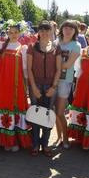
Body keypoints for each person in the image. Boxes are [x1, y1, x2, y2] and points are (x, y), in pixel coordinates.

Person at [0, 20, 32, 151]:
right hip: (3, 84)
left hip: (17, 85)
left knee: (16, 107)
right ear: (7, 33)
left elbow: (26, 69)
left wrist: (26, 86)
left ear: (20, 33)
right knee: (4, 107)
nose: (13, 34)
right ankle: (6, 140)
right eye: (11, 32)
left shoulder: (23, 48)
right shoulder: (0, 46)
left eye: (16, 32)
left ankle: (15, 140)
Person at [27, 20, 61, 157]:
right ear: (38, 32)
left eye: (47, 30)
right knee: (35, 115)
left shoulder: (56, 47)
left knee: (48, 115)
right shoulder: (32, 47)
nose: (44, 33)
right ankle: (35, 144)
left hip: (50, 86)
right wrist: (34, 87)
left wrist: (53, 87)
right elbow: (29, 69)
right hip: (36, 85)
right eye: (42, 30)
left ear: (51, 31)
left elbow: (58, 69)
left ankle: (45, 144)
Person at [53, 20, 81, 149]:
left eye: (71, 28)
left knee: (60, 112)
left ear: (75, 31)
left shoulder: (76, 45)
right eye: (66, 28)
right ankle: (59, 137)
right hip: (51, 81)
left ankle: (65, 138)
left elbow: (68, 64)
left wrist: (51, 66)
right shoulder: (54, 43)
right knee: (54, 111)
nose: (68, 30)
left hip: (65, 81)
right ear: (62, 29)